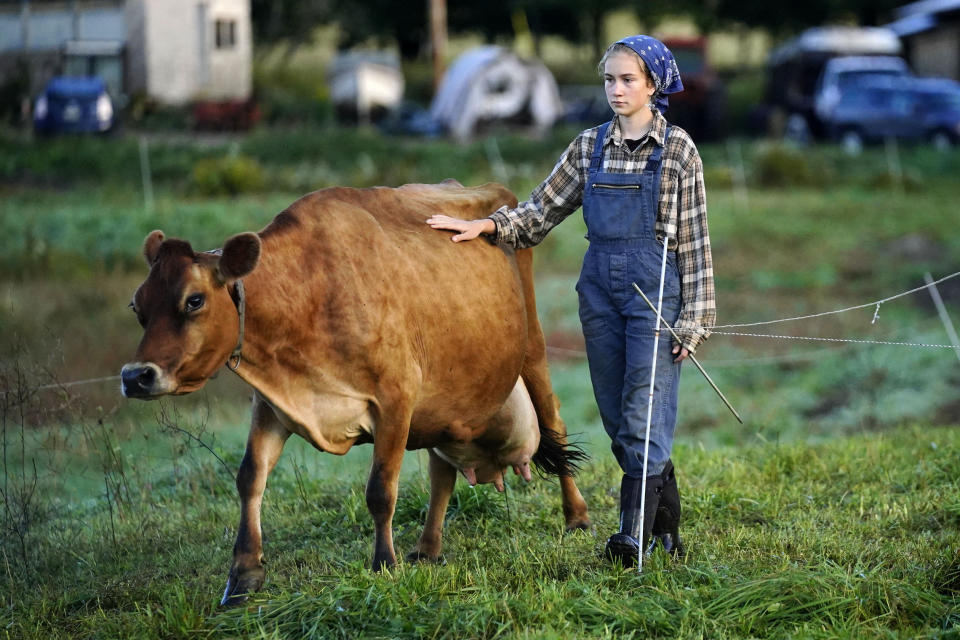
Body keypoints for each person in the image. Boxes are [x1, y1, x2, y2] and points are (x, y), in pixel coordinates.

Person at [426, 35, 715, 566]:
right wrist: (486, 224)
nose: (616, 89)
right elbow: (539, 212)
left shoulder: (678, 150)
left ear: (654, 84)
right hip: (599, 292)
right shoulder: (589, 146)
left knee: (643, 411)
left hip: (657, 294)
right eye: (609, 79)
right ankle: (666, 521)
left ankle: (631, 541)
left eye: (628, 79)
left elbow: (695, 241)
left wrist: (696, 316)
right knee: (615, 413)